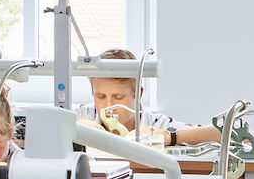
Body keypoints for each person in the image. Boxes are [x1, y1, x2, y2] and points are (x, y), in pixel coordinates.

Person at [86, 48, 219, 146]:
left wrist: (169, 137)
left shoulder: (157, 124)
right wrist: (77, 128)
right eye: (101, 96)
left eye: (118, 97)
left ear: (138, 94)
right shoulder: (85, 115)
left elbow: (222, 134)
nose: (109, 105)